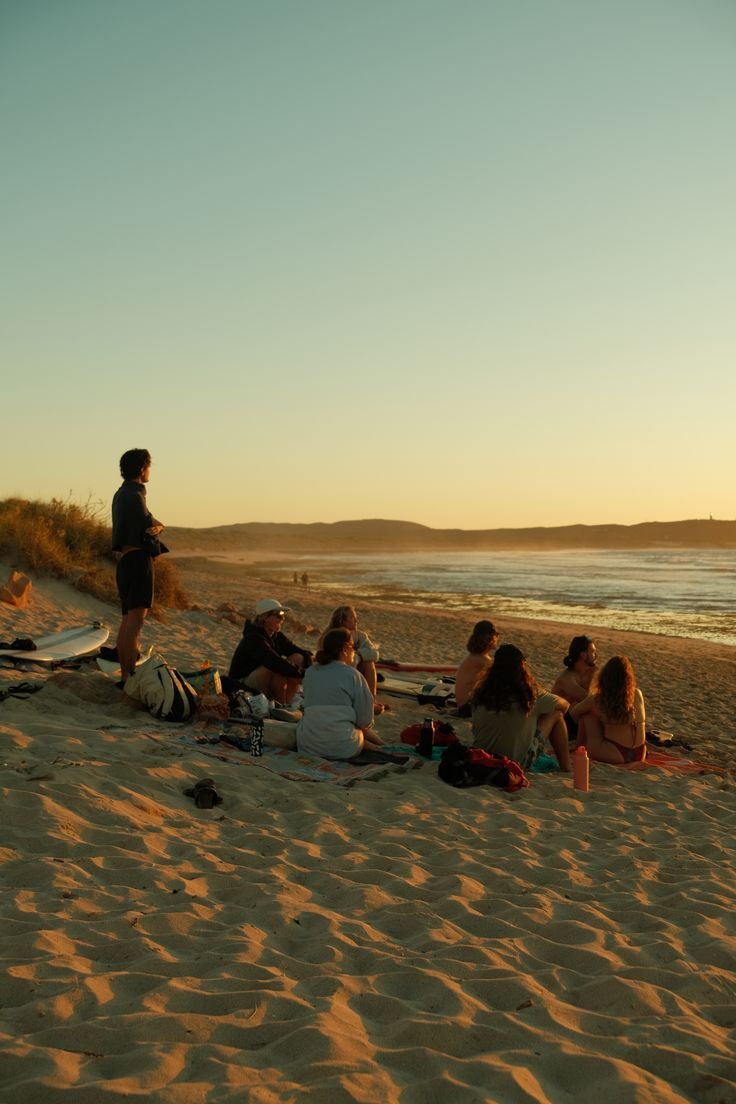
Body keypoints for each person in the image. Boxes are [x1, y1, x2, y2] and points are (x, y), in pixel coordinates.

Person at [110, 448, 167, 680]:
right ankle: (129, 676)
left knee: (128, 621)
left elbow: (150, 523)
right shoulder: (135, 495)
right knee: (135, 623)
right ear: (143, 468)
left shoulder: (121, 494)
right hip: (138, 561)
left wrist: (157, 526)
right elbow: (149, 526)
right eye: (149, 467)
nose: (150, 471)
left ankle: (126, 676)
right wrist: (159, 527)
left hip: (125, 562)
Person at [471, 643, 571, 772]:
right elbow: (564, 705)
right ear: (522, 667)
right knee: (556, 714)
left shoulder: (480, 693)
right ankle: (566, 767)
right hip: (516, 763)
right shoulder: (530, 695)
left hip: (482, 757)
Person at [296, 628, 384, 760]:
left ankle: (375, 745)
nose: (354, 652)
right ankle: (378, 746)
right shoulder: (353, 675)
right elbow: (364, 721)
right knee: (356, 730)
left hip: (308, 746)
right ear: (344, 650)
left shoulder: (310, 672)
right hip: (343, 749)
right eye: (353, 648)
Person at [228, 598, 313, 706]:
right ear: (264, 617)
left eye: (283, 615)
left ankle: (287, 703)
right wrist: (304, 674)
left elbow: (296, 650)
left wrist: (310, 668)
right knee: (275, 669)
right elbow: (274, 662)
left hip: (264, 679)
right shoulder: (253, 638)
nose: (282, 618)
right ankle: (280, 705)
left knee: (298, 657)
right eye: (278, 615)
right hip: (242, 685)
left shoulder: (275, 635)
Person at [569, 655, 647, 764]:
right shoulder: (637, 694)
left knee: (587, 714)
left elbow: (574, 713)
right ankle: (580, 746)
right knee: (592, 711)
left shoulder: (598, 699)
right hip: (640, 752)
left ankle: (579, 748)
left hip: (616, 753)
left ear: (604, 677)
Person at [325, 605, 383, 708]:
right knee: (366, 663)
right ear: (343, 621)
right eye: (352, 617)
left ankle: (370, 701)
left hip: (353, 670)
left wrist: (358, 655)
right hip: (335, 671)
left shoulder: (360, 636)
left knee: (369, 663)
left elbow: (374, 654)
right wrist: (353, 657)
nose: (356, 620)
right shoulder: (331, 636)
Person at [552, 635, 598, 743]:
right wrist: (590, 678)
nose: (596, 655)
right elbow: (588, 700)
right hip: (560, 724)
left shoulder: (582, 674)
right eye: (593, 652)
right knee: (588, 709)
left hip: (571, 720)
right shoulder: (567, 679)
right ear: (583, 655)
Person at [454, 620, 500, 716]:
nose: (498, 638)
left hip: (465, 705)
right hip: (467, 707)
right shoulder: (481, 660)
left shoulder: (475, 657)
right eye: (497, 635)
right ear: (490, 638)